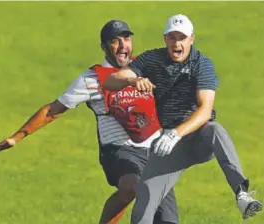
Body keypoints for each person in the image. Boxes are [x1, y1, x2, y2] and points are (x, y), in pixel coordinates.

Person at [0, 20, 179, 224]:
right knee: (139, 187)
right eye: (115, 41)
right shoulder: (91, 79)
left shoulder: (146, 66)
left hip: (154, 151)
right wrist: (16, 138)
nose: (123, 46)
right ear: (104, 47)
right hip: (117, 151)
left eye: (126, 38)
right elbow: (53, 109)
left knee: (166, 218)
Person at [103, 14, 263, 223]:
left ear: (191, 39)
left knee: (216, 130)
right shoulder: (152, 59)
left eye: (182, 38)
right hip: (170, 145)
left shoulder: (202, 64)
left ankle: (241, 193)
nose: (176, 43)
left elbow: (205, 111)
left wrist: (175, 134)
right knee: (144, 206)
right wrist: (135, 80)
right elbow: (111, 81)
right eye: (172, 37)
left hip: (198, 137)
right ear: (165, 39)